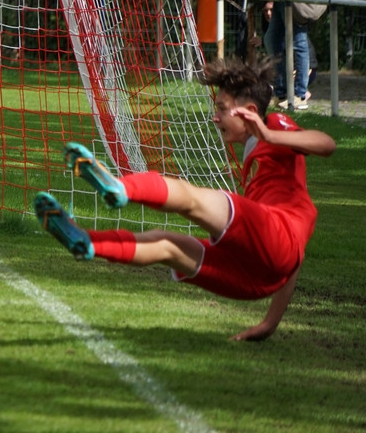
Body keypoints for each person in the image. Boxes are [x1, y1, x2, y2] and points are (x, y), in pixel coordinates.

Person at [34, 57, 335, 341]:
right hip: (261, 279)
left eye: (222, 108)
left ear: (251, 111)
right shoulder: (260, 167)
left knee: (191, 198)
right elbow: (292, 258)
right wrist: (269, 324)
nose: (215, 117)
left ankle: (119, 188)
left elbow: (326, 144)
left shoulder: (275, 125)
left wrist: (270, 135)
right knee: (167, 246)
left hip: (270, 253)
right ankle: (87, 242)